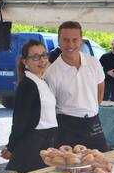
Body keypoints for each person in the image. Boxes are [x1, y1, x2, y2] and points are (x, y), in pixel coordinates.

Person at [44, 21, 109, 152]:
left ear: (81, 41)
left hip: (93, 123)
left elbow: (100, 88)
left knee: (102, 164)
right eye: (66, 40)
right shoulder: (51, 72)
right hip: (67, 126)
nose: (70, 44)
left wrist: (91, 107)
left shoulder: (93, 62)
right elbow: (50, 107)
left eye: (75, 40)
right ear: (59, 41)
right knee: (68, 169)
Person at [1, 40, 58, 173]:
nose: (42, 60)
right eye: (35, 57)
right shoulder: (27, 85)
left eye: (44, 55)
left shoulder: (40, 80)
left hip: (47, 141)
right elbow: (19, 121)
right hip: (33, 144)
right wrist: (11, 147)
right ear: (25, 61)